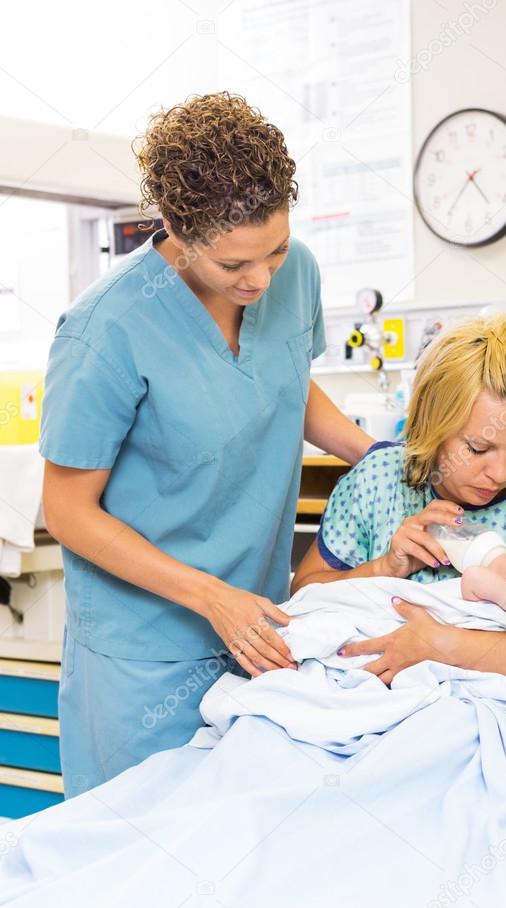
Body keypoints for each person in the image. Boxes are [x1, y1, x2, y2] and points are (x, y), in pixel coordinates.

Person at [39, 92, 374, 797]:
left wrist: (373, 455)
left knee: (236, 854)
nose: (260, 280)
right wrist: (207, 595)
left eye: (274, 251)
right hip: (146, 650)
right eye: (233, 266)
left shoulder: (295, 274)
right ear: (173, 232)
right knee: (134, 854)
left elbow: (286, 379)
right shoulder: (107, 329)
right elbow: (69, 512)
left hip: (257, 627)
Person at [292, 315, 506, 747]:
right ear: (432, 425)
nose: (499, 471)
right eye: (477, 448)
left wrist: (440, 645)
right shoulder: (379, 480)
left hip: (479, 719)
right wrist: (386, 566)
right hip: (353, 705)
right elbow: (304, 596)